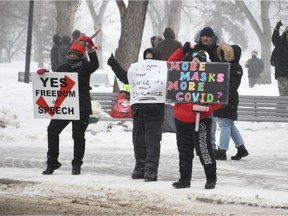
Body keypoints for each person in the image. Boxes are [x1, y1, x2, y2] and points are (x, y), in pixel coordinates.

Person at [41, 34, 99, 175]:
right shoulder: (63, 67)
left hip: (81, 107)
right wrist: (44, 75)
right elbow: (55, 81)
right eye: (70, 54)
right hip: (64, 107)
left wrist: (91, 49)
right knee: (52, 130)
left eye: (75, 54)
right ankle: (52, 161)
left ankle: (77, 164)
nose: (72, 56)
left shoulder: (86, 67)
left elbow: (95, 64)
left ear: (80, 55)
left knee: (78, 136)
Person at [107, 48, 164, 182]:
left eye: (152, 58)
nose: (149, 61)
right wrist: (114, 64)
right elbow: (125, 77)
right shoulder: (139, 73)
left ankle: (151, 171)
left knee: (152, 144)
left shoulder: (163, 73)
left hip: (154, 113)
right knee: (138, 142)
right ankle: (140, 168)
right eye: (147, 58)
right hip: (139, 112)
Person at [168, 47, 222, 189]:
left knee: (204, 149)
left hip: (202, 119)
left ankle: (211, 178)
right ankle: (184, 179)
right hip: (181, 119)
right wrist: (181, 50)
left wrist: (208, 108)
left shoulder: (211, 78)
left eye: (199, 62)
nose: (195, 64)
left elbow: (220, 98)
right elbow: (170, 65)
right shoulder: (182, 74)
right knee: (184, 151)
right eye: (193, 61)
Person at [214, 43, 249, 161]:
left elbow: (232, 86)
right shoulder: (231, 66)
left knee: (224, 124)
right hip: (226, 97)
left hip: (228, 98)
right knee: (229, 125)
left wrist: (223, 98)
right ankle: (241, 149)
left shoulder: (234, 67)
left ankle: (222, 151)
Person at [271, 20, 288, 96]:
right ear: (285, 34)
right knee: (283, 96)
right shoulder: (281, 44)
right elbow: (275, 39)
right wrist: (277, 27)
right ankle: (281, 108)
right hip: (282, 75)